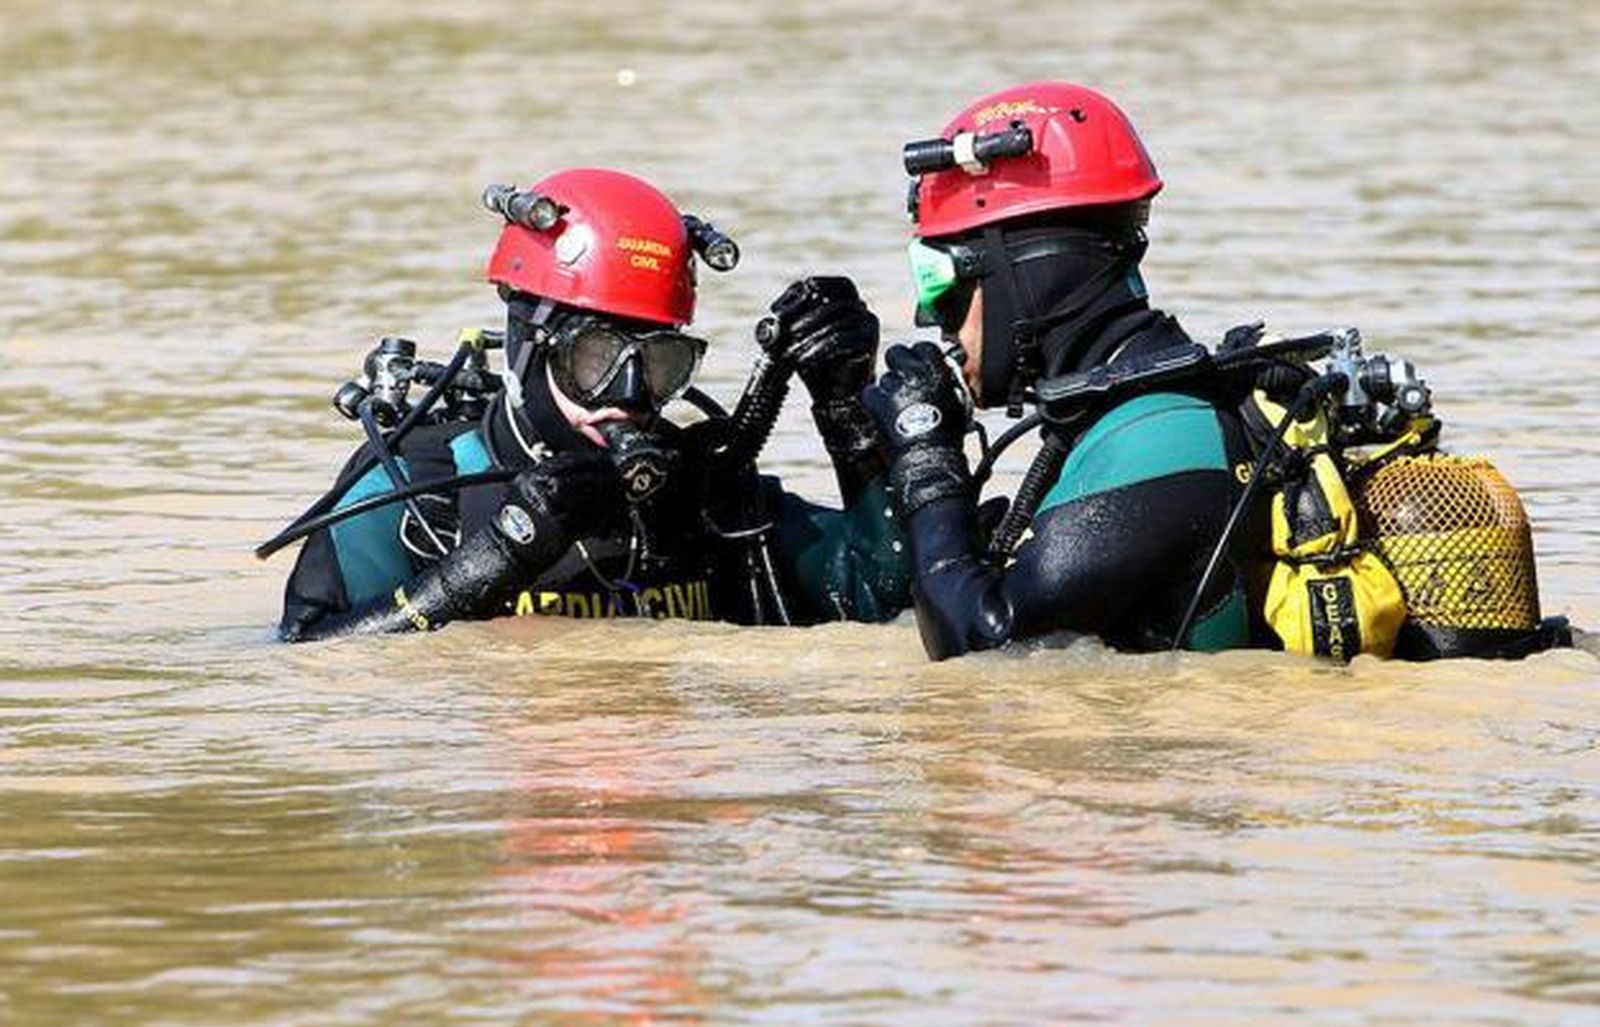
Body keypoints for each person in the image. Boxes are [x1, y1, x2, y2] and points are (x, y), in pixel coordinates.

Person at [863, 82, 1563, 662]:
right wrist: (852, 424)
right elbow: (908, 597)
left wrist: (926, 453)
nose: (932, 317)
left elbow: (983, 650)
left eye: (940, 283)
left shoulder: (1158, 437)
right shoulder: (1118, 422)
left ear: (1025, 270)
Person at [271, 167, 908, 640]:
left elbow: (887, 597)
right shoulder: (419, 493)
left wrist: (847, 409)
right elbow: (305, 665)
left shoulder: (707, 496)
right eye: (596, 360)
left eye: (659, 365)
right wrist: (495, 558)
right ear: (526, 347)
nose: (628, 397)